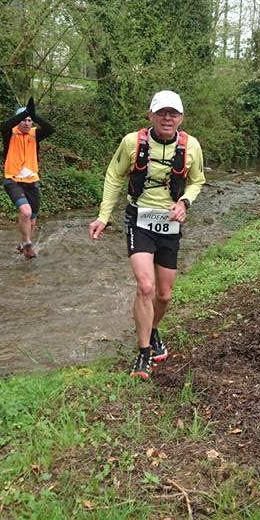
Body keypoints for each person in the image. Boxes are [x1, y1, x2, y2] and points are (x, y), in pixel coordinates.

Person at [89, 90, 205, 379]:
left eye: (173, 113)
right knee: (145, 286)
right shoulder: (132, 142)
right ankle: (143, 353)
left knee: (164, 295)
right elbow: (114, 176)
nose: (168, 118)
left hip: (170, 223)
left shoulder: (191, 146)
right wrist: (104, 217)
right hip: (139, 218)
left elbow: (197, 180)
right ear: (150, 115)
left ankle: (152, 331)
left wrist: (185, 202)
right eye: (162, 112)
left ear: (181, 117)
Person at [1, 96, 54, 259]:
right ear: (17, 121)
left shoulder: (35, 134)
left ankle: (23, 245)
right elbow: (4, 125)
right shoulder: (9, 133)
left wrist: (34, 114)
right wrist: (24, 112)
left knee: (32, 220)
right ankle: (27, 244)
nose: (26, 123)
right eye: (23, 119)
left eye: (30, 120)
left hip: (32, 180)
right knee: (25, 212)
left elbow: (51, 129)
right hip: (13, 179)